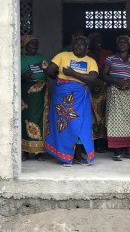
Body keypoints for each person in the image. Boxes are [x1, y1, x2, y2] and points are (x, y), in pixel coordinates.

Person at [43, 36, 98, 166]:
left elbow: (92, 79)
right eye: (76, 44)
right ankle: (64, 156)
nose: (79, 46)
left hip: (81, 98)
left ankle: (77, 155)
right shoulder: (62, 55)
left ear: (87, 49)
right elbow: (51, 71)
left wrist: (73, 74)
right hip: (62, 97)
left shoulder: (91, 61)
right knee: (64, 126)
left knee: (80, 125)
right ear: (72, 46)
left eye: (82, 44)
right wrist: (50, 71)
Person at [101, 35, 130, 161]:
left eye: (125, 42)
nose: (123, 44)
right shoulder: (110, 59)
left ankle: (129, 151)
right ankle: (117, 152)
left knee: (129, 121)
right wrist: (115, 80)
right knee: (115, 121)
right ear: (117, 45)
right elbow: (103, 74)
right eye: (120, 42)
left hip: (128, 93)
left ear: (129, 45)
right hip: (114, 93)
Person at [21, 35, 49, 162]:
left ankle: (39, 151)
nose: (34, 46)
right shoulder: (20, 59)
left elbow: (51, 74)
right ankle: (24, 150)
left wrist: (46, 69)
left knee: (40, 119)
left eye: (36, 44)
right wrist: (23, 76)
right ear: (25, 45)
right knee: (24, 119)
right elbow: (13, 77)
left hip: (40, 94)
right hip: (25, 94)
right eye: (32, 44)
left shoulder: (42, 58)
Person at [87, 32, 112, 153]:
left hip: (104, 89)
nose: (98, 41)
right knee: (93, 116)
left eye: (100, 39)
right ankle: (94, 143)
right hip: (90, 89)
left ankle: (104, 143)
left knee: (104, 115)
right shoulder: (87, 54)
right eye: (95, 40)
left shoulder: (107, 53)